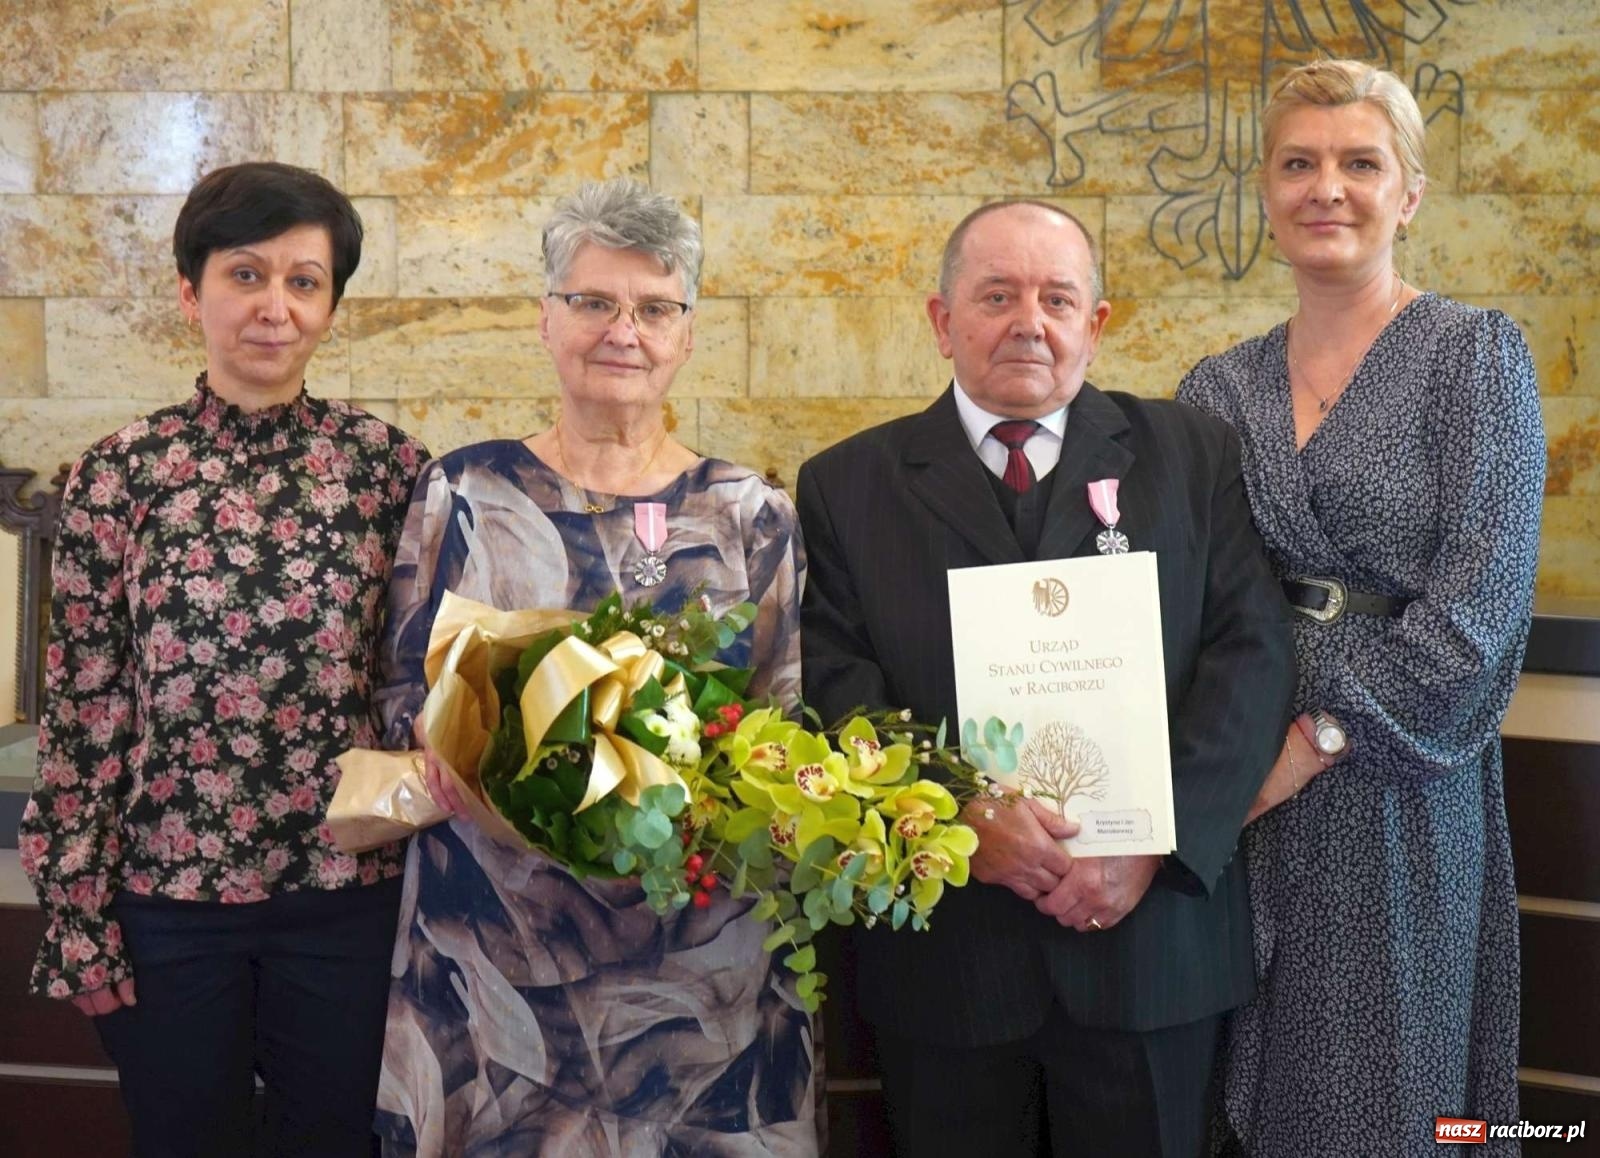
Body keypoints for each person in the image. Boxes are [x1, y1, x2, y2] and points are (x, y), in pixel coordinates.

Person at [796, 200, 1297, 1157]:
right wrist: (956, 816)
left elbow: (1252, 654)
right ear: (943, 321)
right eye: (997, 295)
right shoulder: (847, 484)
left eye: (1057, 297)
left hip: (1152, 953)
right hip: (950, 963)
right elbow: (833, 683)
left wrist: (1157, 839)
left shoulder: (1192, 455)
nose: (1030, 320)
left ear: (1096, 323)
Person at [372, 178, 813, 1156]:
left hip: (699, 978)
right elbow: (404, 693)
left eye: (655, 308)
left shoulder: (748, 511)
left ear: (687, 334)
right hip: (493, 965)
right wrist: (485, 766)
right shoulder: (466, 489)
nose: (625, 329)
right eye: (594, 302)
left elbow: (783, 728)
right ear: (545, 319)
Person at [18, 161, 428, 1157]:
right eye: (246, 275)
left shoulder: (391, 471)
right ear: (190, 292)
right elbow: (84, 704)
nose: (274, 308)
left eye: (304, 281)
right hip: (166, 902)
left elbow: (421, 693)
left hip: (345, 899)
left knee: (332, 1141)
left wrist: (412, 841)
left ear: (331, 304)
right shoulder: (118, 477)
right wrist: (78, 910)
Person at [1176, 59, 1544, 1156]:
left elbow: (1477, 617)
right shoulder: (1215, 387)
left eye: (1358, 163)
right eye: (1298, 162)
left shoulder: (1475, 359)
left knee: (1378, 1102)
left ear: (1409, 194)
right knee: (1220, 1090)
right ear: (1265, 189)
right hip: (1229, 776)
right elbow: (1177, 591)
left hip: (1393, 783)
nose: (1324, 187)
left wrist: (1308, 745)